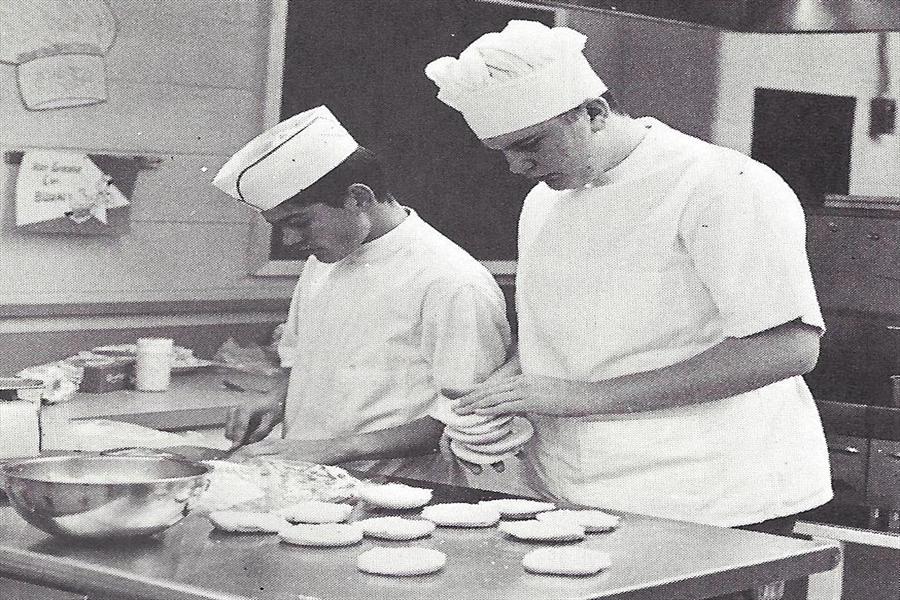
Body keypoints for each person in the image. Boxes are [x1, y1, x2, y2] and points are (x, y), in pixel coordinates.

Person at [425, 20, 832, 534]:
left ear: (594, 113)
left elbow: (788, 348)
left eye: (531, 144)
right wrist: (494, 398)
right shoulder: (544, 201)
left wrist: (579, 398)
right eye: (503, 151)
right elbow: (563, 340)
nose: (517, 166)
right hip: (571, 488)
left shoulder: (722, 184)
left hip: (713, 495)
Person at [211, 106, 511, 483]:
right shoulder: (325, 259)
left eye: (299, 222)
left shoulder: (452, 280)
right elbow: (301, 358)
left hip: (398, 490)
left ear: (358, 197)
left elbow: (467, 417)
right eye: (280, 227)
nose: (289, 241)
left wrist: (337, 448)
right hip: (305, 476)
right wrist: (277, 397)